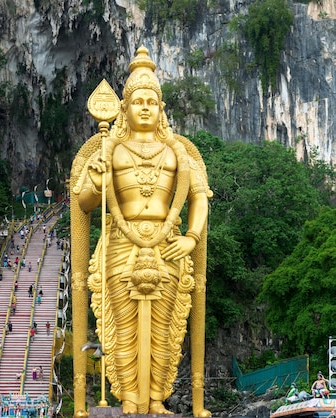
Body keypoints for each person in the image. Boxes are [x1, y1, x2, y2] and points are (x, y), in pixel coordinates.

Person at [71, 46, 211, 416]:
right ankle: (130, 399)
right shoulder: (109, 149)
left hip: (168, 246)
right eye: (138, 101)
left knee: (165, 330)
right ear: (124, 109)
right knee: (123, 328)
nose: (145, 107)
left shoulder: (178, 151)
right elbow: (83, 201)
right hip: (121, 242)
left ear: (161, 108)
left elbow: (200, 197)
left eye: (152, 101)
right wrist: (99, 182)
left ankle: (155, 399)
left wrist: (190, 238)